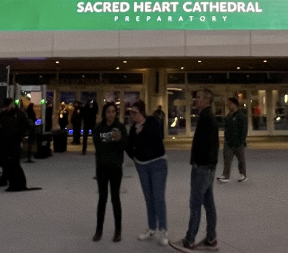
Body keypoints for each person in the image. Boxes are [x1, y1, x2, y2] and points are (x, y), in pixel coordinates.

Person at [178, 89, 219, 251]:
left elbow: (205, 144)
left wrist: (198, 162)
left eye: (199, 98)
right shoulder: (208, 117)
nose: (196, 100)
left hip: (203, 167)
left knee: (195, 203)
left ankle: (190, 240)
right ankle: (211, 238)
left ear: (208, 100)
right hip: (209, 166)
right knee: (208, 203)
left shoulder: (206, 118)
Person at [127, 100, 168, 246]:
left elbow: (154, 139)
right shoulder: (133, 128)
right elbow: (128, 144)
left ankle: (163, 230)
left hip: (157, 163)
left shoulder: (153, 122)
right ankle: (152, 228)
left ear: (142, 112)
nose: (132, 115)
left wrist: (141, 132)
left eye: (135, 112)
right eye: (131, 112)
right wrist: (134, 157)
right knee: (149, 198)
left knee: (158, 197)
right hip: (142, 166)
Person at [92, 101, 127, 242]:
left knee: (115, 198)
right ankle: (99, 229)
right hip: (102, 167)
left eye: (113, 112)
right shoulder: (98, 128)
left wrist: (118, 141)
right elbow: (98, 146)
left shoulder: (121, 128)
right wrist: (110, 140)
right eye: (108, 112)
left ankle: (118, 230)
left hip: (115, 167)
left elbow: (124, 146)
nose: (111, 114)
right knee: (102, 198)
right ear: (104, 113)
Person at [0, 97, 30, 191]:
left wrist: (20, 136)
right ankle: (5, 179)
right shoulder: (2, 115)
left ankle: (15, 182)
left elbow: (25, 125)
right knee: (4, 161)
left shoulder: (18, 114)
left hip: (14, 141)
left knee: (13, 162)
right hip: (4, 141)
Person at [218, 97, 247, 182]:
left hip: (238, 142)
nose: (228, 106)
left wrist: (241, 141)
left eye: (230, 104)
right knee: (227, 159)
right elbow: (226, 128)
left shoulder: (241, 116)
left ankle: (243, 174)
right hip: (228, 142)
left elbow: (244, 129)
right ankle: (225, 175)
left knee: (241, 159)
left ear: (235, 105)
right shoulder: (229, 116)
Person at [24, 97, 37, 162]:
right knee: (30, 142)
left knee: (29, 142)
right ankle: (29, 154)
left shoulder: (28, 112)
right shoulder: (31, 112)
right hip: (31, 128)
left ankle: (29, 154)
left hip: (29, 128)